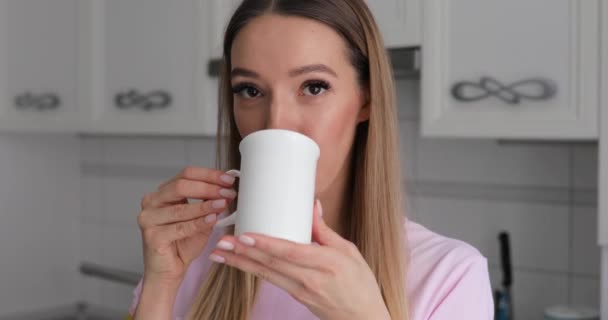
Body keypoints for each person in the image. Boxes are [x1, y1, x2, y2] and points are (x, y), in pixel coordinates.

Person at [127, 0, 494, 319]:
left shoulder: (449, 277)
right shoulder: (193, 258)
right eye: (250, 90)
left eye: (313, 87)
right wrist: (161, 285)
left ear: (366, 99)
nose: (276, 123)